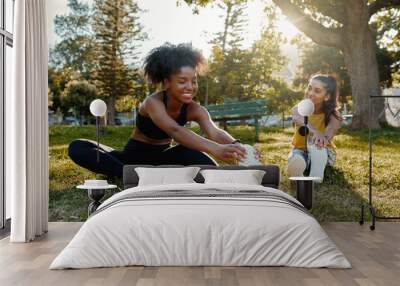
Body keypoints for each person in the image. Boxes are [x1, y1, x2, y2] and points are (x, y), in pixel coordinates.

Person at [68, 43, 247, 179]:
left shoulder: (195, 109)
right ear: (167, 82)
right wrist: (216, 148)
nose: (190, 86)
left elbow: (214, 132)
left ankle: (143, 176)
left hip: (163, 158)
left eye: (194, 81)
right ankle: (128, 175)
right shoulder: (153, 102)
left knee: (195, 155)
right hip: (131, 159)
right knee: (78, 146)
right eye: (182, 81)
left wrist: (238, 146)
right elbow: (175, 131)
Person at [287, 74, 343, 182]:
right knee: (296, 157)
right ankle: (299, 165)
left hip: (323, 150)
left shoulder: (335, 116)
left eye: (317, 91)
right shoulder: (297, 109)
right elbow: (299, 119)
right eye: (309, 88)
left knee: (319, 148)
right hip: (300, 149)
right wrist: (315, 132)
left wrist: (321, 138)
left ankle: (316, 172)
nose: (310, 93)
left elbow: (327, 137)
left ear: (327, 96)